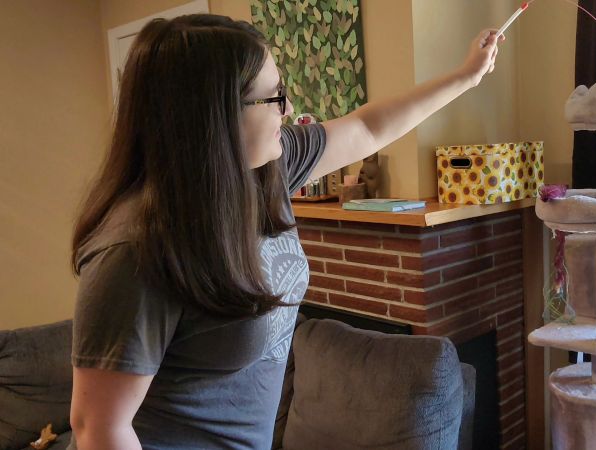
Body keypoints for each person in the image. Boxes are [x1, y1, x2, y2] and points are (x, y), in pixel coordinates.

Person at [68, 13, 502, 450]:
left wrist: (466, 77)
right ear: (215, 114)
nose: (289, 109)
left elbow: (368, 128)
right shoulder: (133, 249)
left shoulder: (265, 169)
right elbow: (98, 428)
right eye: (275, 96)